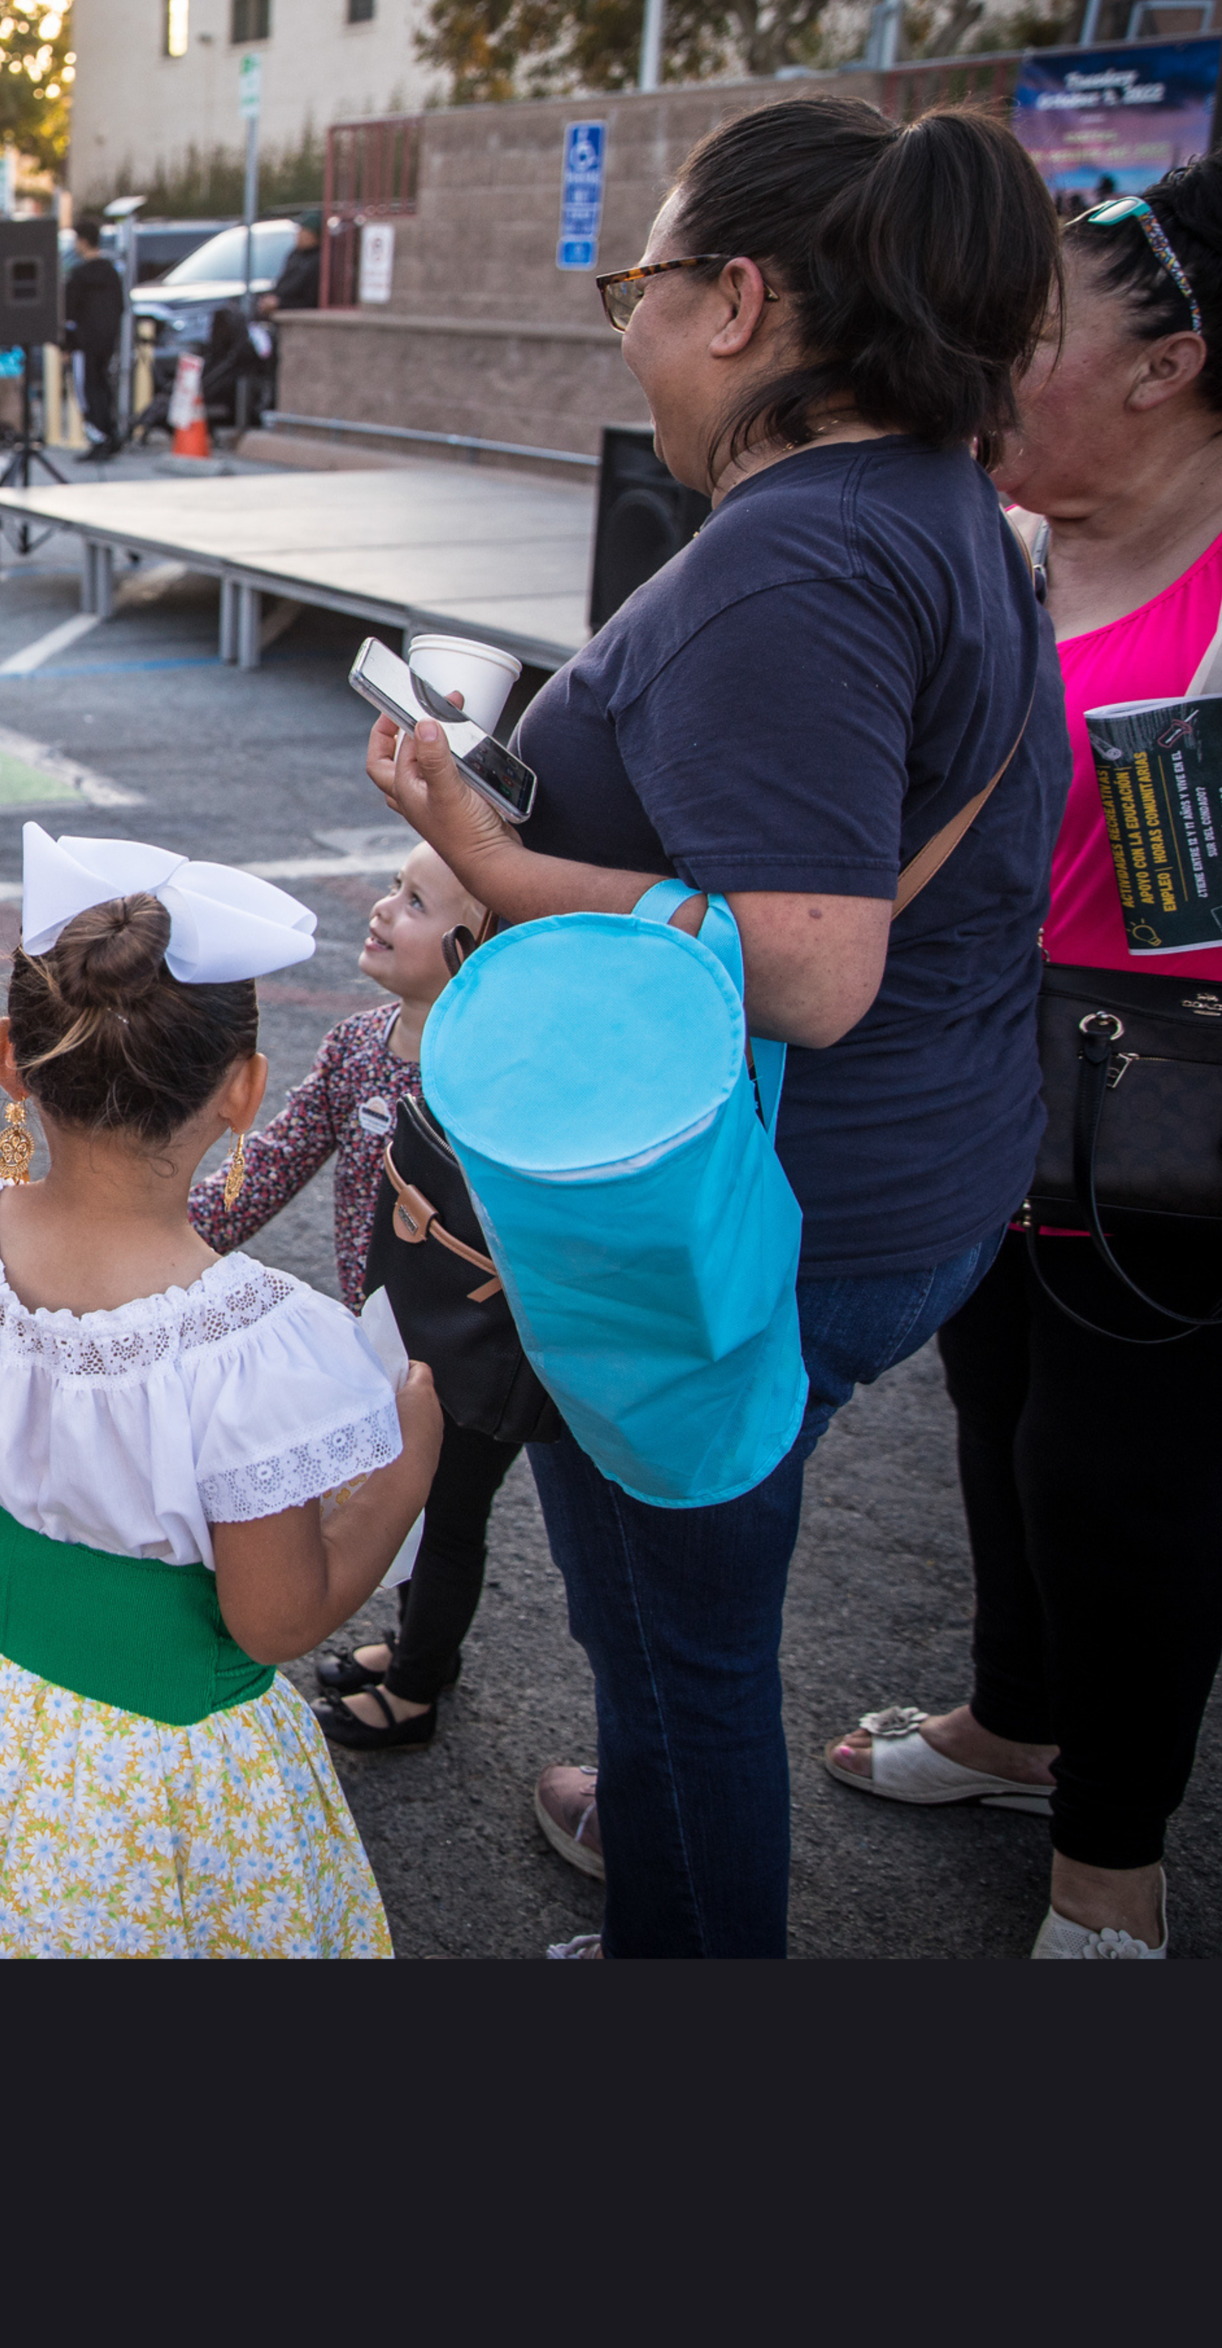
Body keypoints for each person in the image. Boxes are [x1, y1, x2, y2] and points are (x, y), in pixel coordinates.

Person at [369, 97, 1066, 1958]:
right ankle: (666, 1829)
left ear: (738, 300)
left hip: (735, 1225)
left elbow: (808, 962)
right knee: (680, 1632)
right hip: (895, 1178)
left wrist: (485, 862)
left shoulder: (794, 558)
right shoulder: (953, 511)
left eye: (637, 291)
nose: (635, 335)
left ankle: (680, 1920)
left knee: (678, 1650)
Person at [823, 151, 1222, 1960]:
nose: (989, 373)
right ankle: (1009, 1724)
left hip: (1166, 1121)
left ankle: (1107, 1865)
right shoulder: (999, 541)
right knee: (989, 1413)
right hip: (989, 1072)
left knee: (1115, 1478)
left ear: (1162, 365)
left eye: (1034, 336)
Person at [0, 831, 442, 1957]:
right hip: (173, 1769)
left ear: (11, 1058)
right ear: (242, 1091)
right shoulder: (255, 1346)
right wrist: (402, 1474)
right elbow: (277, 1618)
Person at [186, 841, 516, 1751]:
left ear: (477, 947)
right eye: (394, 887)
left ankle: (416, 1686)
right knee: (393, 1494)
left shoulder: (488, 1077)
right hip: (378, 1330)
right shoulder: (358, 1047)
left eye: (413, 901)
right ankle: (414, 1642)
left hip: (475, 1336)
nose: (381, 908)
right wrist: (167, 1235)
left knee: (446, 1510)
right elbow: (273, 1163)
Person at [62, 215, 125, 459]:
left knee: (85, 387)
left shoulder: (78, 276)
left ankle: (98, 436)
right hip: (106, 340)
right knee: (101, 384)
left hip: (83, 342)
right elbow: (120, 306)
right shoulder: (111, 273)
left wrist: (67, 344)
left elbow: (70, 313)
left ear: (84, 241)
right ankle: (109, 433)